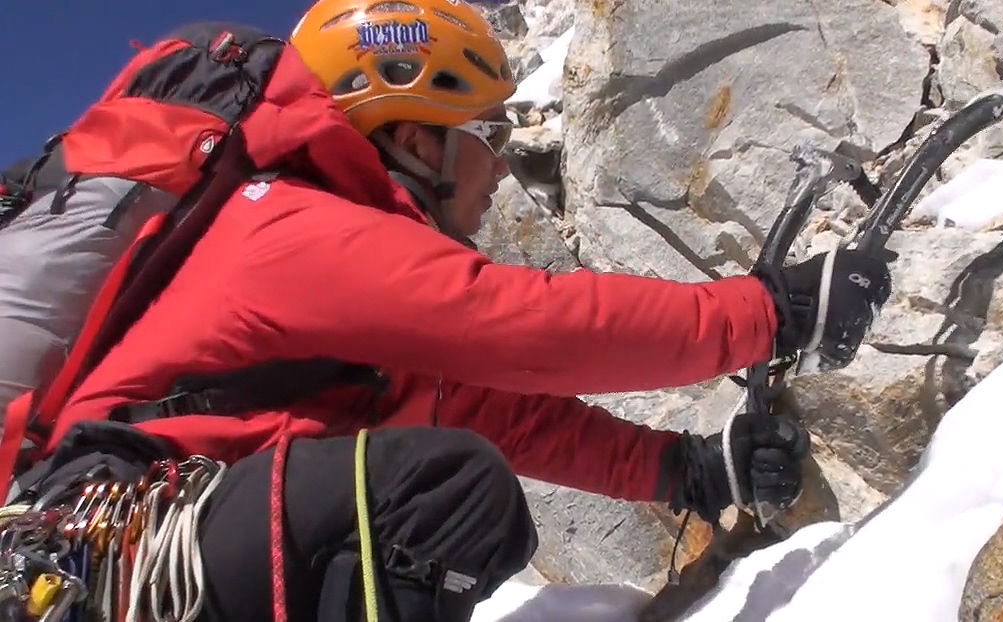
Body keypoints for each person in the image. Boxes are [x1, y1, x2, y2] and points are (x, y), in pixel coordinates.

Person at [24, 0, 892, 620]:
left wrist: (688, 470)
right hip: (119, 551)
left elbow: (497, 410)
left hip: (149, 551)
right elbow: (524, 328)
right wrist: (770, 312)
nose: (503, 169)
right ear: (414, 137)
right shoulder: (290, 228)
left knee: (446, 469)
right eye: (490, 137)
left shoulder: (332, 268)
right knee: (446, 490)